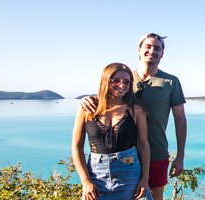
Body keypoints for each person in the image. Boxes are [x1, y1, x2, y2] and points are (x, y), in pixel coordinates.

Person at [80, 33, 188, 200]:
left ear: (162, 54)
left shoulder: (170, 82)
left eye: (157, 48)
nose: (152, 51)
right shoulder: (124, 78)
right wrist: (87, 99)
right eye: (148, 46)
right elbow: (105, 101)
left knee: (153, 197)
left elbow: (180, 119)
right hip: (122, 154)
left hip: (155, 152)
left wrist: (180, 156)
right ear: (139, 49)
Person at [72, 63, 152, 200]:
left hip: (130, 174)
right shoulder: (87, 108)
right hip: (96, 175)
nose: (122, 85)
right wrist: (85, 181)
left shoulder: (136, 110)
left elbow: (143, 144)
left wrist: (145, 179)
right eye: (116, 80)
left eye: (127, 82)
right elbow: (76, 146)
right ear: (105, 81)